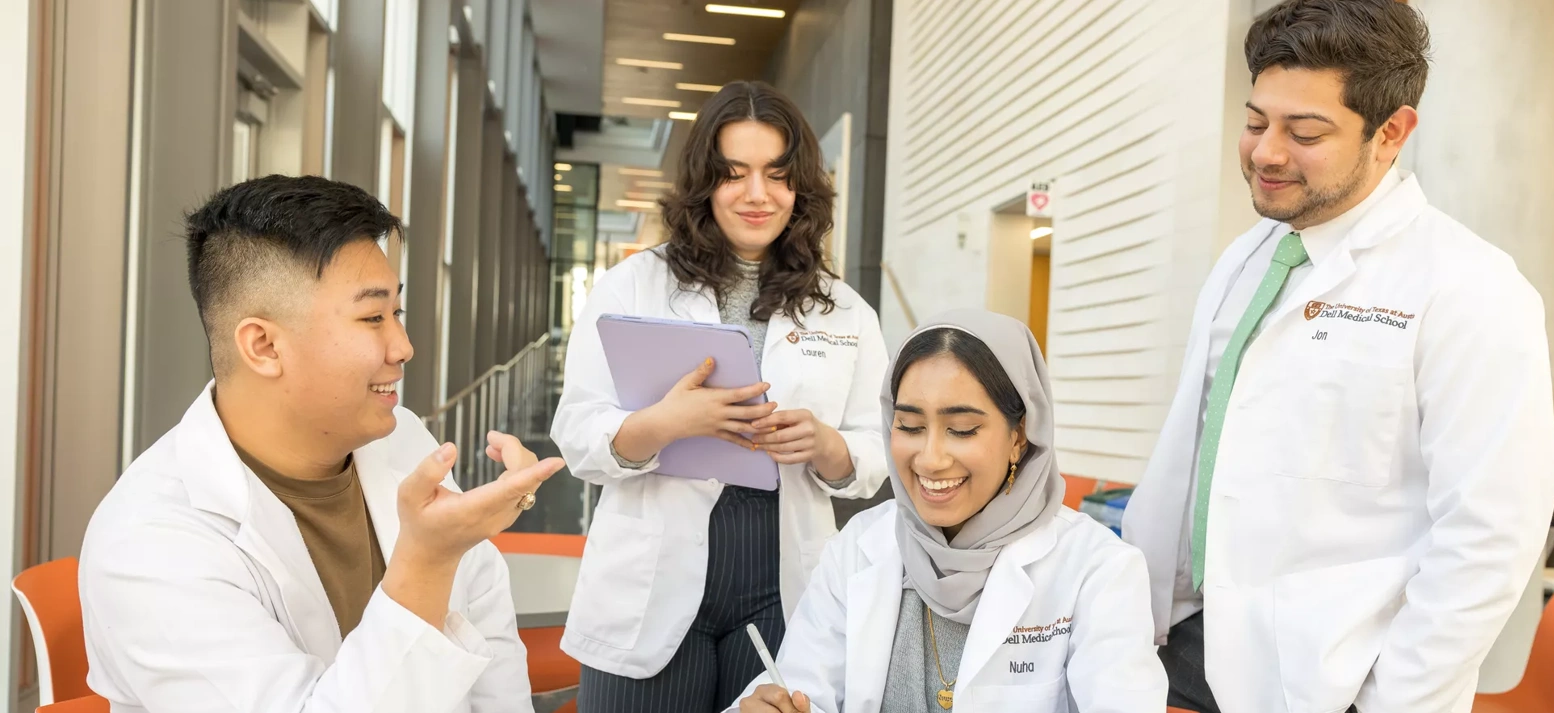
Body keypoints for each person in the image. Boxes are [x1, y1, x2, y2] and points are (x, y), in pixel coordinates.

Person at [1120, 1, 1554, 711]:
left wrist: (1392, 696)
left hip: (1331, 681)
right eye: (1256, 121)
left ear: (1390, 133)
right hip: (1184, 647)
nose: (1265, 152)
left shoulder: (1468, 287)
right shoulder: (1245, 260)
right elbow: (1195, 453)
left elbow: (1488, 538)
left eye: (1305, 131)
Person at [79, 175, 562, 712]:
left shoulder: (399, 439)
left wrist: (461, 543)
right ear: (263, 346)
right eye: (372, 317)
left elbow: (487, 634)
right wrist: (427, 563)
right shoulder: (150, 545)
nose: (403, 346)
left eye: (395, 313)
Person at [551, 80, 889, 713]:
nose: (757, 195)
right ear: (704, 182)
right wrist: (663, 424)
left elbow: (877, 450)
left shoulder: (847, 312)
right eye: (734, 174)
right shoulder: (632, 287)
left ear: (802, 187)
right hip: (651, 582)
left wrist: (829, 445)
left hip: (780, 583)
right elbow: (577, 431)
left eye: (777, 175)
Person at [731, 310, 1166, 713]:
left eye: (961, 430)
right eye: (910, 426)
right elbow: (805, 688)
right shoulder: (858, 550)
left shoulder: (1098, 570)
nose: (930, 459)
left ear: (1020, 436)